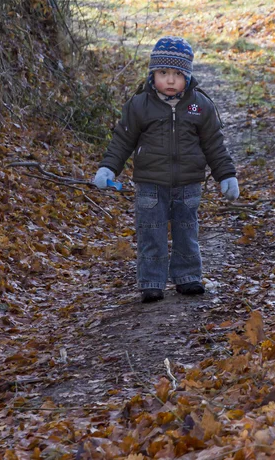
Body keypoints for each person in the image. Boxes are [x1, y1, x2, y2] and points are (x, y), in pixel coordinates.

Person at [93, 36, 239, 303]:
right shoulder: (139, 105)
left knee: (187, 230)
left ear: (188, 75)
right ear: (152, 74)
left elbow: (214, 145)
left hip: (188, 183)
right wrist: (108, 168)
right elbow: (122, 141)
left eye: (177, 74)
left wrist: (226, 175)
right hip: (150, 183)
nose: (170, 81)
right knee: (152, 231)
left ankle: (188, 277)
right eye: (163, 73)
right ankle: (151, 281)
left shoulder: (200, 106)